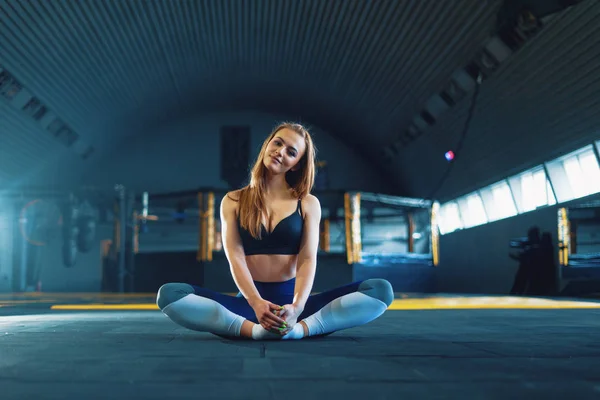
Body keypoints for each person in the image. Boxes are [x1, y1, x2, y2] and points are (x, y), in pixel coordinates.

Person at [156, 122, 394, 340]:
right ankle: (254, 330)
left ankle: (299, 330)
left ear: (297, 164)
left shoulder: (307, 203)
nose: (280, 152)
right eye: (278, 143)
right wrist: (256, 303)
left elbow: (307, 258)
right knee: (170, 294)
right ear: (267, 144)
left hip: (295, 306)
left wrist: (298, 307)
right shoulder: (233, 200)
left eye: (291, 152)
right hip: (249, 305)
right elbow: (235, 257)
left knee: (380, 290)